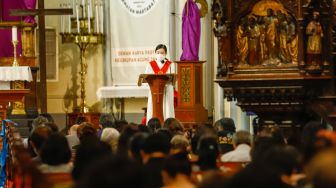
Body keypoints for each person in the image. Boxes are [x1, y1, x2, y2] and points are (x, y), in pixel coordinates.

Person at [145, 44, 175, 123]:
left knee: (167, 108)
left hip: (167, 89)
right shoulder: (150, 64)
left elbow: (173, 77)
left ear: (165, 53)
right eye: (158, 52)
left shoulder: (170, 64)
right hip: (154, 90)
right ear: (155, 53)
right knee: (154, 108)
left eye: (162, 52)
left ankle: (168, 124)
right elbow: (146, 77)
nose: (160, 54)